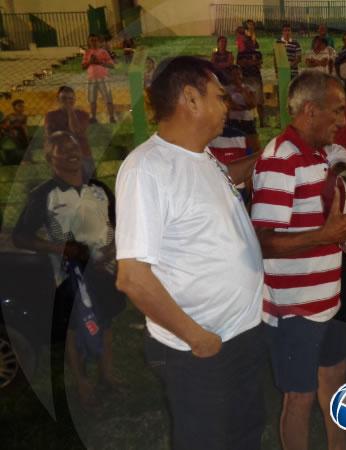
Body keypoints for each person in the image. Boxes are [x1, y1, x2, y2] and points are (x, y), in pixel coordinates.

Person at [115, 56, 265, 450]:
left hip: (240, 336)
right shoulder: (147, 168)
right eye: (219, 97)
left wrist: (262, 161)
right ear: (190, 99)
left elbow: (209, 192)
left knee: (244, 435)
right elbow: (132, 277)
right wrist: (197, 338)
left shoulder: (202, 157)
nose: (226, 106)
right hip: (201, 350)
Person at [251, 70, 346, 450]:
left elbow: (316, 213)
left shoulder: (318, 155)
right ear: (309, 109)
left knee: (334, 380)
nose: (343, 120)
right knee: (298, 399)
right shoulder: (280, 159)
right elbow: (262, 241)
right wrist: (326, 235)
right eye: (336, 112)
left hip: (326, 301)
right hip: (294, 311)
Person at [12, 131, 124, 408]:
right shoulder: (44, 194)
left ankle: (107, 375)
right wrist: (59, 248)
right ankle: (82, 383)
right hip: (68, 275)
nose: (72, 153)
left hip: (105, 270)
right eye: (62, 149)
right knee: (74, 328)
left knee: (105, 320)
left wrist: (111, 251)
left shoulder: (98, 188)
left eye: (75, 147)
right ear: (50, 158)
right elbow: (20, 236)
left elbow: (117, 224)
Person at [44, 85, 94, 178]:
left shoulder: (83, 114)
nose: (67, 101)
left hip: (82, 154)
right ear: (58, 100)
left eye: (70, 98)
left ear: (74, 99)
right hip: (61, 157)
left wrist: (70, 111)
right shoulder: (51, 116)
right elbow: (49, 137)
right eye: (63, 98)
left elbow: (76, 131)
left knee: (88, 185)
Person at [82, 33, 116, 124]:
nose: (94, 42)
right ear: (89, 42)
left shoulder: (103, 52)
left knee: (108, 98)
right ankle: (93, 117)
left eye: (95, 40)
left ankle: (111, 117)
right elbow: (83, 66)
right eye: (91, 40)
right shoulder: (87, 52)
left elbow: (112, 65)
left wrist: (100, 62)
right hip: (91, 79)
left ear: (99, 41)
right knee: (92, 100)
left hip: (103, 78)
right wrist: (90, 62)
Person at [225, 65, 260, 153]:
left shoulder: (248, 88)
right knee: (234, 148)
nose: (236, 77)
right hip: (233, 120)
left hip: (247, 120)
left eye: (238, 74)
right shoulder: (226, 89)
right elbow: (230, 105)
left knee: (254, 147)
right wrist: (244, 107)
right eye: (233, 74)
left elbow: (252, 104)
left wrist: (243, 91)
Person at [237, 41, 265, 128]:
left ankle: (261, 121)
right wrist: (252, 62)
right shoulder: (241, 53)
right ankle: (247, 120)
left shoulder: (257, 53)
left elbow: (259, 64)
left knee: (259, 101)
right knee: (246, 100)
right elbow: (240, 63)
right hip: (245, 78)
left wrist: (248, 62)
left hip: (256, 78)